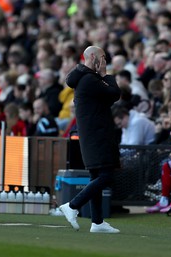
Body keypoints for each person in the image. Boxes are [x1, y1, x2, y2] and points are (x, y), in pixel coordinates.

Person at [59, 46, 121, 233]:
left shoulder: (83, 79)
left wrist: (102, 78)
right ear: (93, 57)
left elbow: (106, 99)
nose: (104, 62)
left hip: (91, 134)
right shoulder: (89, 79)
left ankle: (97, 222)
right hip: (98, 134)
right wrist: (105, 74)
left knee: (96, 176)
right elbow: (114, 94)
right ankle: (72, 205)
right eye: (102, 58)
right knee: (106, 176)